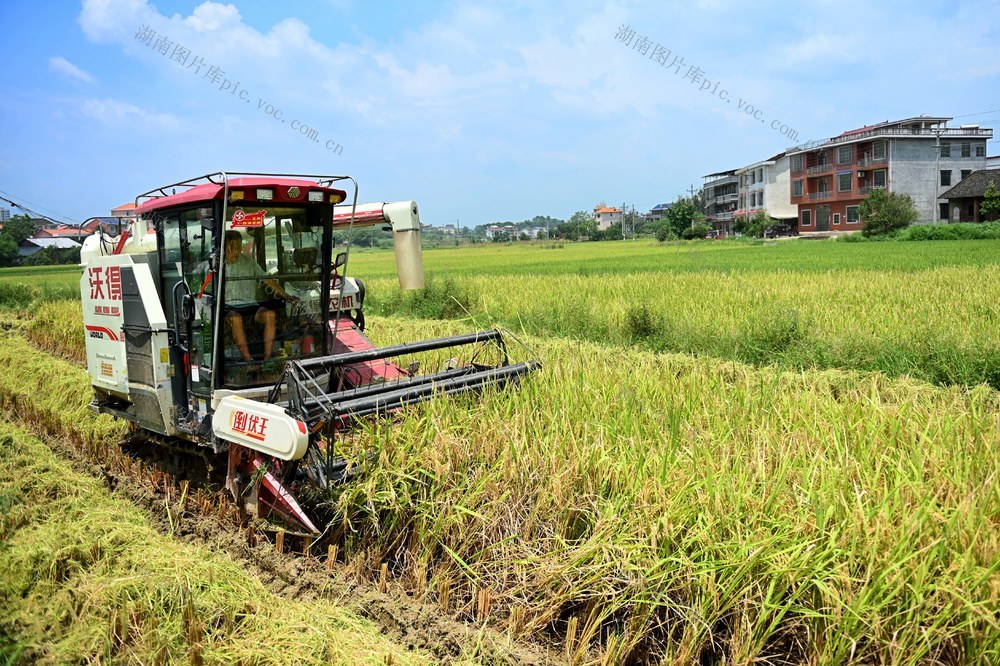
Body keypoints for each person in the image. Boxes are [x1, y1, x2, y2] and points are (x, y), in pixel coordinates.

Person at [223, 230, 298, 362]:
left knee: (270, 315)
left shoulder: (249, 262)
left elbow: (267, 279)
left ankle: (267, 358)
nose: (237, 251)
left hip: (251, 306)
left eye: (239, 246)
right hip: (229, 308)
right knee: (236, 318)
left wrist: (286, 295)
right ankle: (248, 360)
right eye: (233, 247)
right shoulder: (218, 266)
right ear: (225, 247)